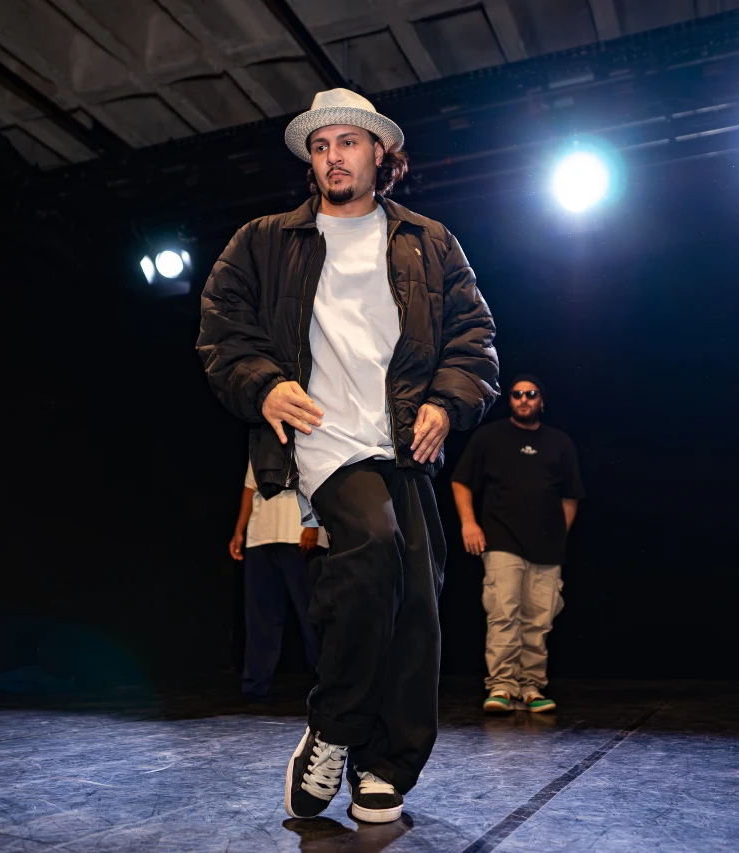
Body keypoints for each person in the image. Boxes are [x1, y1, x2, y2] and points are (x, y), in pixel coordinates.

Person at [197, 88, 498, 824]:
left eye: (348, 142)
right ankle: (334, 726)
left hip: (402, 440)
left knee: (417, 596)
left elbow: (474, 338)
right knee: (371, 544)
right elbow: (221, 327)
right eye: (320, 145)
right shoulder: (265, 239)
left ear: (380, 155)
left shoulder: (429, 240)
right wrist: (264, 384)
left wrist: (446, 402)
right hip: (323, 437)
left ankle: (382, 763)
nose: (333, 156)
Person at [450, 374, 583, 715]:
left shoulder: (559, 442)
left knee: (539, 620)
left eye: (531, 394)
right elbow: (461, 480)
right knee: (504, 613)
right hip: (502, 540)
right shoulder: (490, 437)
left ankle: (531, 687)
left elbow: (571, 496)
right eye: (517, 394)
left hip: (547, 547)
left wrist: (560, 534)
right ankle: (502, 686)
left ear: (542, 401)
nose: (524, 399)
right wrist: (469, 523)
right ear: (509, 399)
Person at [229, 459, 326, 703]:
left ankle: (327, 687)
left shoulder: (306, 438)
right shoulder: (259, 444)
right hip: (261, 537)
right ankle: (255, 687)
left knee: (313, 616)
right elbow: (250, 488)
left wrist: (313, 523)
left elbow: (319, 480)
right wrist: (239, 531)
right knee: (261, 617)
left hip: (298, 535)